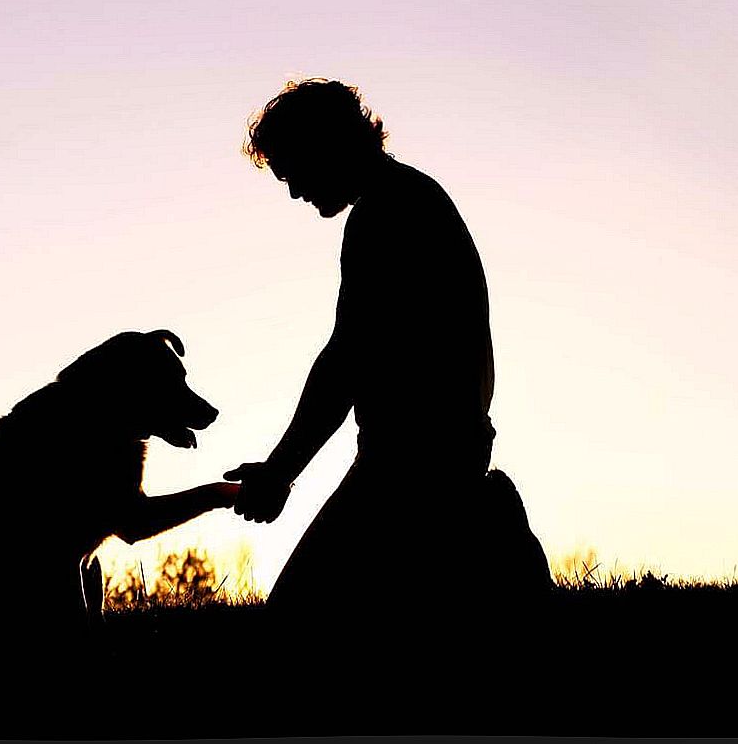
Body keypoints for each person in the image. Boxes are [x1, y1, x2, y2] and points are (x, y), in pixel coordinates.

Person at [225, 79, 549, 647]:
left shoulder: (387, 213)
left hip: (410, 467)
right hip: (438, 451)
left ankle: (495, 531)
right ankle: (492, 532)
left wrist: (279, 472)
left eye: (292, 170)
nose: (295, 192)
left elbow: (347, 357)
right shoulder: (413, 198)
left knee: (289, 640)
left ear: (324, 144)